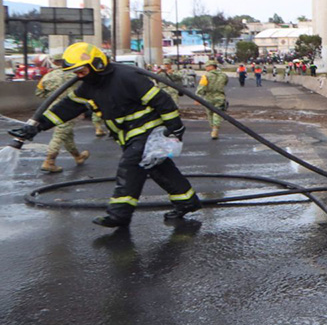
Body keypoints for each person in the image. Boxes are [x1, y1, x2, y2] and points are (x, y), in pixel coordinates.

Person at [8, 43, 200, 229]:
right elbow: (66, 108)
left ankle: (119, 214)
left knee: (130, 167)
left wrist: (175, 127)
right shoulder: (88, 86)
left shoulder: (128, 77)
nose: (78, 76)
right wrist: (36, 127)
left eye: (82, 71)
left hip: (147, 131)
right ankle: (187, 201)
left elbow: (162, 100)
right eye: (76, 72)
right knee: (158, 168)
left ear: (97, 65)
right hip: (127, 135)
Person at [34, 62, 91, 174]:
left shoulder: (48, 75)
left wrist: (52, 97)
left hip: (52, 109)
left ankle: (78, 156)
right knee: (60, 135)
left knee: (66, 134)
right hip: (69, 108)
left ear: (53, 62)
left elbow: (39, 93)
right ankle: (49, 161)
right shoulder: (74, 74)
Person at [196, 61, 229, 140]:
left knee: (210, 114)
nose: (206, 68)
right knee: (217, 113)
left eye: (207, 66)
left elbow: (201, 86)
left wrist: (197, 97)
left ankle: (213, 129)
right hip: (220, 96)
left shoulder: (206, 76)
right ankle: (215, 129)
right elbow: (225, 83)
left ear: (212, 67)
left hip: (209, 97)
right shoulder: (224, 75)